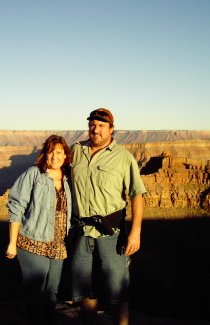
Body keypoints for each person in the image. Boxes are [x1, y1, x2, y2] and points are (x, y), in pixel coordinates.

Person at [69, 108, 146, 325]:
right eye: (92, 124)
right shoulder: (75, 151)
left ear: (112, 129)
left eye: (102, 125)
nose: (96, 129)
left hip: (111, 232)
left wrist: (136, 232)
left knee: (116, 292)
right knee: (86, 291)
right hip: (81, 231)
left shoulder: (123, 157)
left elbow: (137, 195)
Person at [5, 135, 72, 325]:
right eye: (51, 152)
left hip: (59, 244)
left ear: (65, 155)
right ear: (45, 154)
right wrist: (12, 243)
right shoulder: (33, 174)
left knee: (52, 292)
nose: (54, 156)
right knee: (35, 292)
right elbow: (16, 206)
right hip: (32, 242)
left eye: (59, 152)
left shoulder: (68, 177)